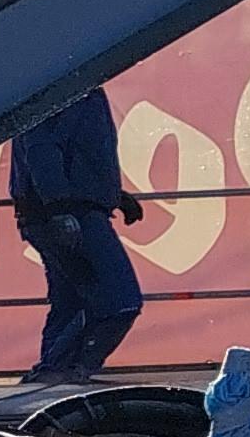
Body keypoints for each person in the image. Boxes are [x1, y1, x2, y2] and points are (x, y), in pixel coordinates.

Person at [10, 86, 147, 379]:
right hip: (71, 215)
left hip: (62, 211)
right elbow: (43, 151)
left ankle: (53, 373)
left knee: (70, 303)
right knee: (120, 301)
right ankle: (65, 369)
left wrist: (111, 194)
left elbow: (66, 153)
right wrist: (60, 207)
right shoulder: (62, 90)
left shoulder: (73, 90)